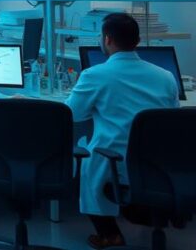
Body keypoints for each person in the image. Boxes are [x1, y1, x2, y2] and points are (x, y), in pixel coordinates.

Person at [66, 13, 179, 250]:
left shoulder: (95, 74)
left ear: (107, 39)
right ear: (137, 41)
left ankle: (109, 234)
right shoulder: (166, 77)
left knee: (87, 154)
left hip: (116, 162)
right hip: (159, 164)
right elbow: (172, 117)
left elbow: (71, 114)